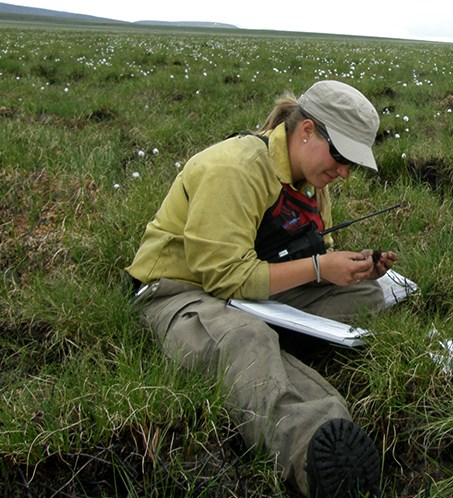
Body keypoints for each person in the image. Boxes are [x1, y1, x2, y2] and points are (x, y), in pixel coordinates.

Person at [127, 80, 395, 497]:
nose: (344, 172)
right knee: (245, 337)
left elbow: (310, 251)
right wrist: (320, 268)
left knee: (367, 296)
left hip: (255, 292)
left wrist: (353, 268)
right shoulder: (234, 169)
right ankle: (312, 447)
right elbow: (223, 277)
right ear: (307, 130)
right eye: (341, 156)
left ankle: (270, 346)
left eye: (352, 164)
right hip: (182, 291)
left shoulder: (312, 182)